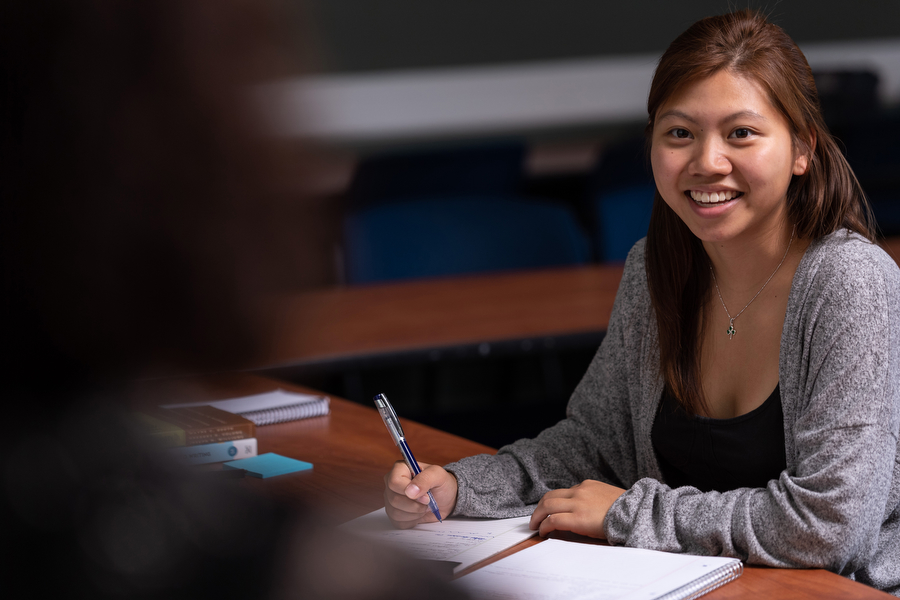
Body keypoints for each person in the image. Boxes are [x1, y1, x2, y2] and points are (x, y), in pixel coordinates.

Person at [383, 9, 900, 594]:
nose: (707, 161)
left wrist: (628, 515)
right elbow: (594, 446)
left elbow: (831, 528)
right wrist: (459, 487)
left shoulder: (850, 283)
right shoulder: (653, 268)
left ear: (802, 149)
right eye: (679, 133)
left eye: (741, 133)